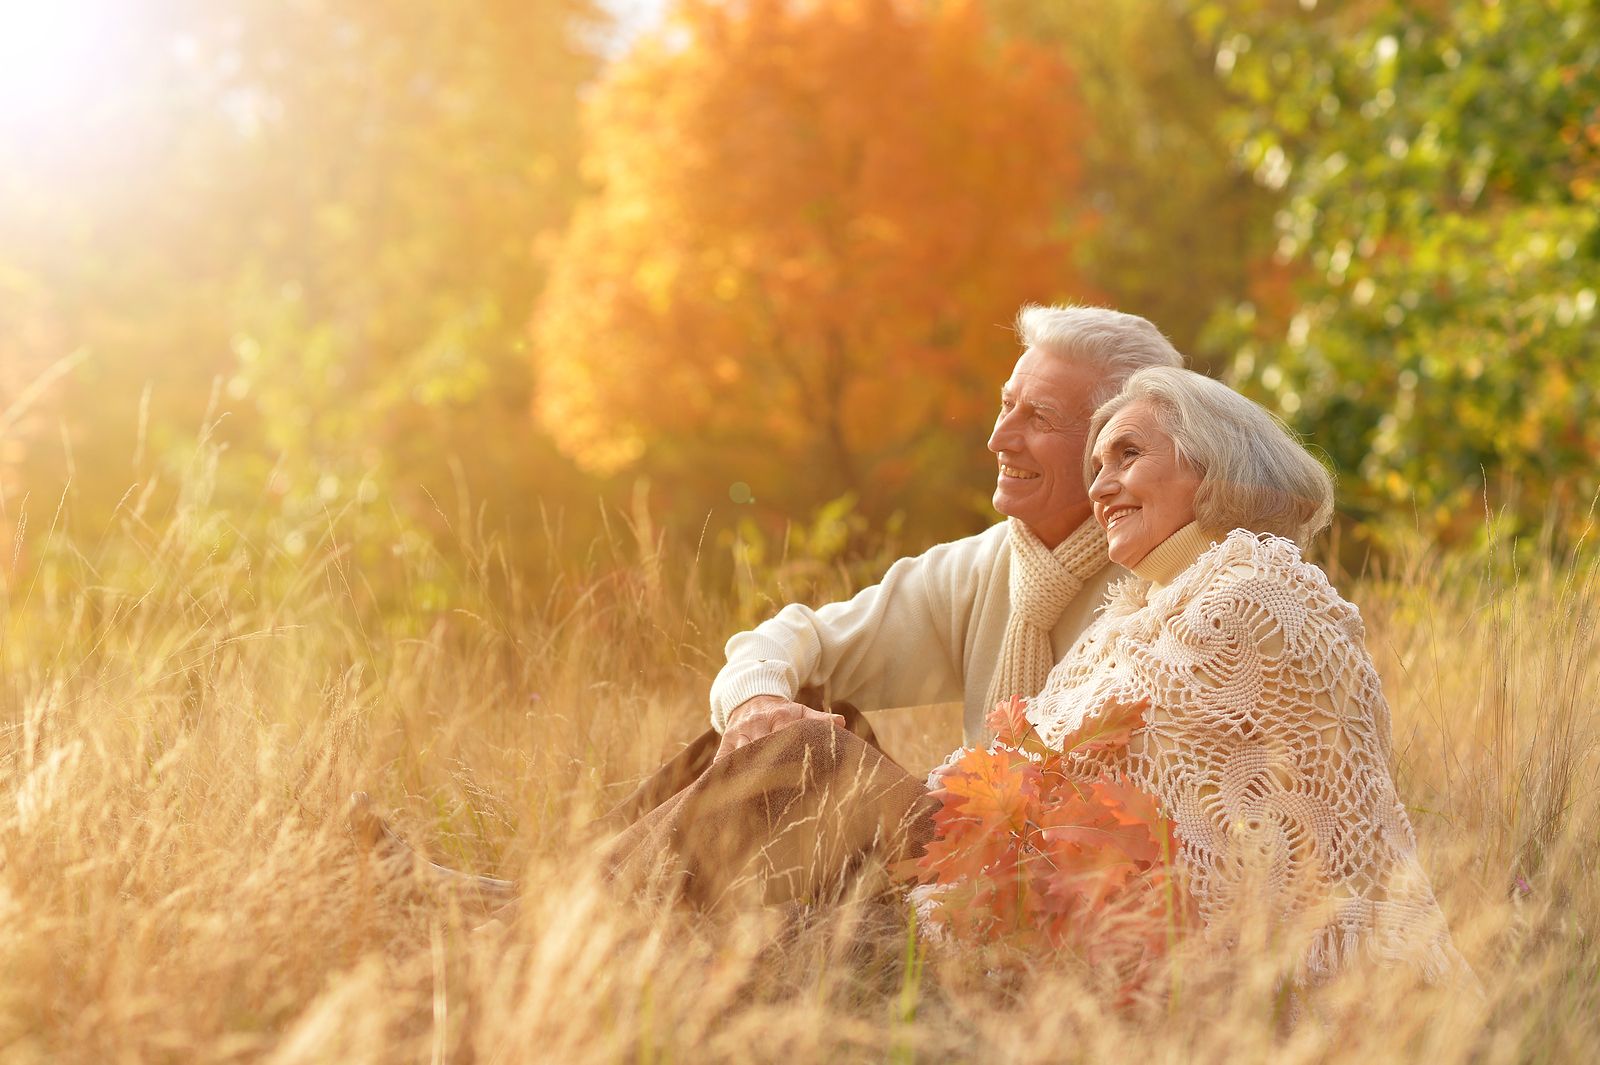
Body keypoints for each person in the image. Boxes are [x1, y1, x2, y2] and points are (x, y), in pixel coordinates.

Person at [1007, 365, 1465, 984]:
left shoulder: (1256, 595)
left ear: (1213, 466)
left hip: (1255, 978)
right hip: (1092, 935)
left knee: (832, 757)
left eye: (1128, 455)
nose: (1102, 488)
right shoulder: (1134, 618)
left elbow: (1131, 787)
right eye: (1097, 468)